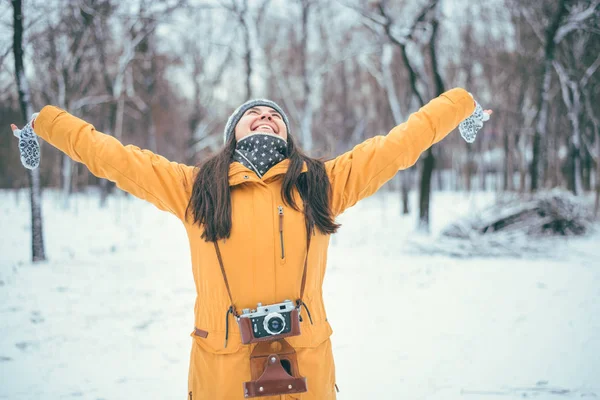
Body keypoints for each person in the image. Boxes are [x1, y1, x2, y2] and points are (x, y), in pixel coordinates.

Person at [11, 88, 491, 399]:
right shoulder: (194, 189)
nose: (265, 118)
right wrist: (45, 122)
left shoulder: (321, 184)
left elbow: (398, 144)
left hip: (306, 368)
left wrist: (461, 103)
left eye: (273, 116)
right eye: (253, 115)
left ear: (287, 132)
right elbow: (111, 156)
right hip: (222, 375)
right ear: (232, 135)